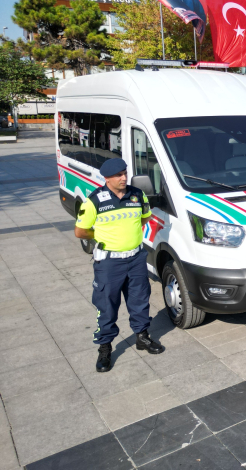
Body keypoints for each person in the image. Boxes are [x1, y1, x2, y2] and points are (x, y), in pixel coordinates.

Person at [74, 158, 164, 373]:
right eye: (118, 175)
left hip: (135, 259)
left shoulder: (137, 194)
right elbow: (81, 231)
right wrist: (105, 236)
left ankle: (142, 337)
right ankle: (105, 348)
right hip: (109, 262)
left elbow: (144, 218)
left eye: (124, 173)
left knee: (140, 299)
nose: (124, 178)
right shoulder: (94, 201)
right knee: (107, 304)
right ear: (106, 178)